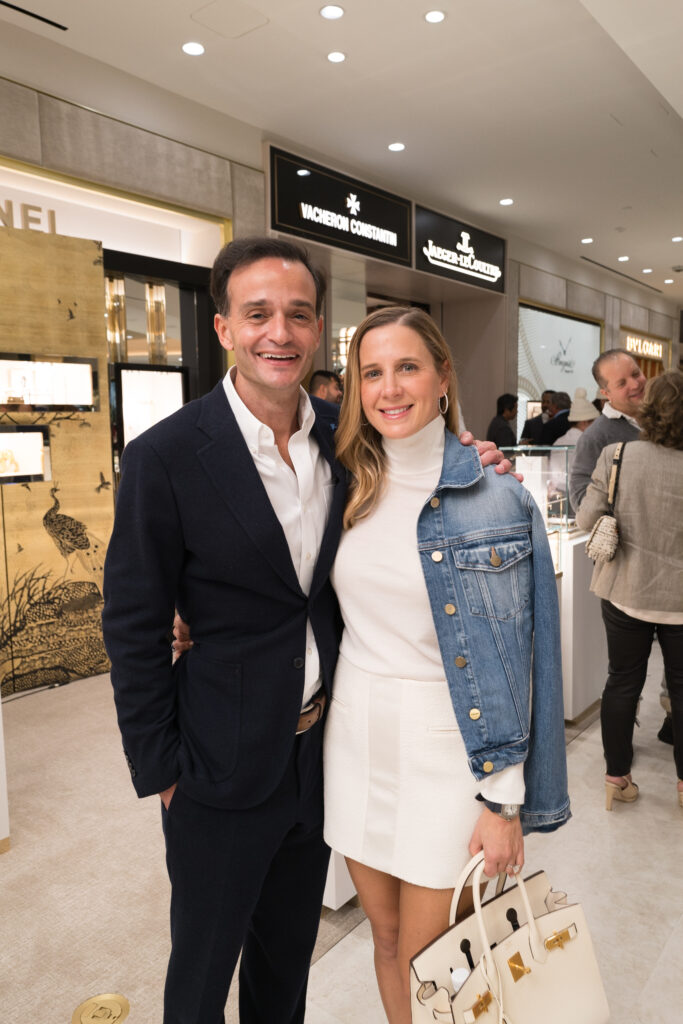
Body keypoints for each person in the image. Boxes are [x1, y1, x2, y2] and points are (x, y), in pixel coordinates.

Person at [102, 235, 516, 1024]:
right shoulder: (165, 457)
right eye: (256, 313)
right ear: (224, 327)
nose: (278, 333)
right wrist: (161, 768)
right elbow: (133, 624)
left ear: (319, 328)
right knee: (199, 975)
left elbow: (426, 473)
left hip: (320, 756)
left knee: (283, 968)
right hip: (214, 763)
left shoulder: (348, 435)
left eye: (297, 314)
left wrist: (478, 456)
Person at [323, 306, 570, 1022]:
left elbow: (524, 660)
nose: (389, 388)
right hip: (356, 741)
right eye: (371, 372)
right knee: (386, 937)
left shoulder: (498, 497)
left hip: (453, 753)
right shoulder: (345, 484)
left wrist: (504, 801)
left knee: (438, 960)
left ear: (441, 377)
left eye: (407, 367)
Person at [575, 370, 683, 812]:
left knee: (622, 682)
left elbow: (586, 521)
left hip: (625, 589)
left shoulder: (617, 455)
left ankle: (616, 778)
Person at [569, 349, 646, 510]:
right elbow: (580, 499)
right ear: (606, 393)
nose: (635, 384)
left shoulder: (665, 418)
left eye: (635, 373)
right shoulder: (595, 437)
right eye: (622, 383)